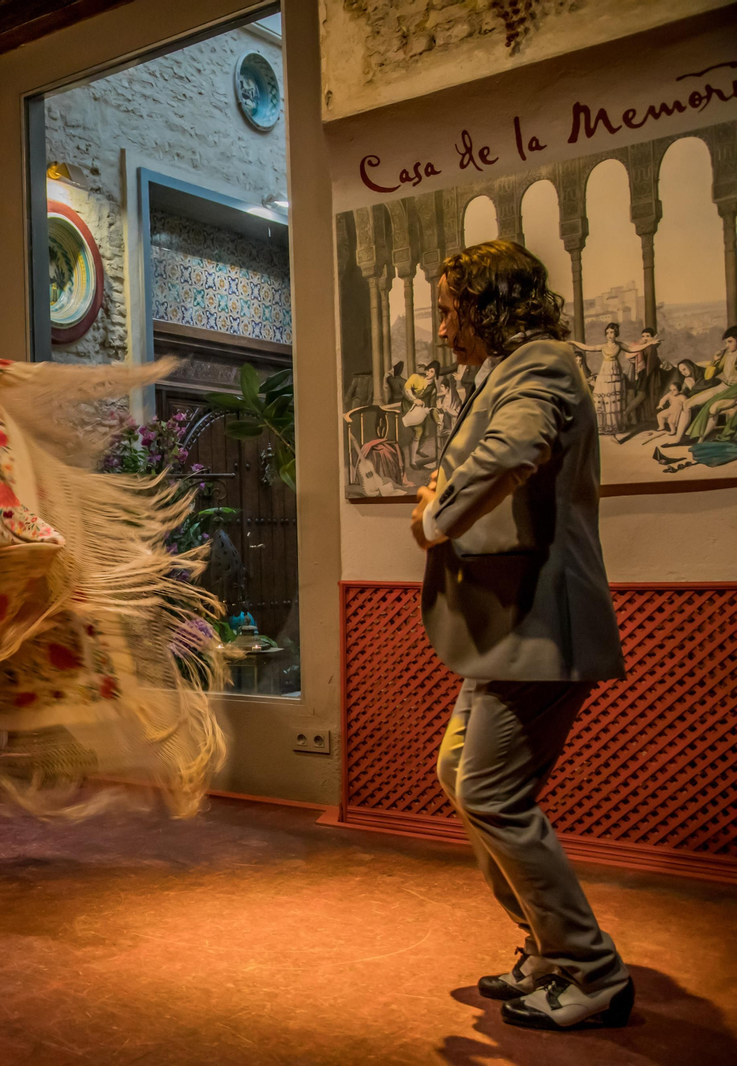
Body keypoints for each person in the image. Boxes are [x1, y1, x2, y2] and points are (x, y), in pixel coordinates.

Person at [412, 240, 631, 1031]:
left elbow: (511, 451)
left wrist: (434, 519)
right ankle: (546, 948)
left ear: (487, 307)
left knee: (489, 791)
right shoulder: (514, 370)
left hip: (542, 625)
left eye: (448, 310)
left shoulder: (538, 365)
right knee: (460, 774)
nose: (441, 329)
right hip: (506, 629)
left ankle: (590, 969)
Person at [680, 326, 737, 442]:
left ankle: (701, 438)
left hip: (734, 390)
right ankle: (678, 439)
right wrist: (715, 360)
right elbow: (708, 376)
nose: (727, 345)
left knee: (712, 409)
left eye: (730, 342)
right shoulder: (727, 355)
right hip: (723, 386)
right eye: (726, 342)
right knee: (687, 403)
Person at [400, 361, 440, 468]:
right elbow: (406, 389)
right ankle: (412, 462)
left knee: (426, 432)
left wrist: (436, 417)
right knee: (419, 431)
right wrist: (414, 399)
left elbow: (432, 405)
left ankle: (417, 449)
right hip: (409, 406)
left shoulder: (433, 388)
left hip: (422, 409)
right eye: (427, 370)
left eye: (431, 371)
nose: (428, 373)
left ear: (436, 374)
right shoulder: (416, 377)